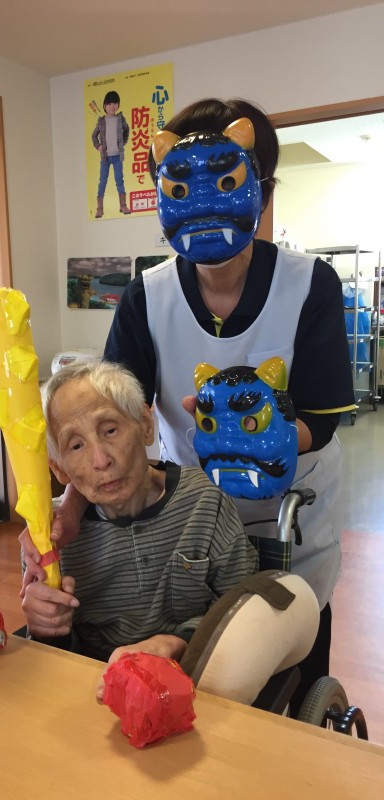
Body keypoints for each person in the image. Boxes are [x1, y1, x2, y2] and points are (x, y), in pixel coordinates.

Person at [24, 98, 355, 716]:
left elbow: (322, 414)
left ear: (260, 187)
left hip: (292, 506)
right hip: (189, 509)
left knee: (294, 639)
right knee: (199, 647)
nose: (204, 200)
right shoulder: (146, 296)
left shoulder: (310, 283)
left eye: (223, 178)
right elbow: (108, 410)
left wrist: (257, 439)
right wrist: (67, 509)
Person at [21, 360, 259, 700]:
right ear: (58, 468)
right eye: (76, 446)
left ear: (146, 425)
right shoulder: (47, 538)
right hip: (96, 694)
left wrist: (177, 643)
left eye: (110, 430)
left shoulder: (205, 503)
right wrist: (46, 627)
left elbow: (244, 616)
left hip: (199, 686)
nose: (101, 460)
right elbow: (56, 662)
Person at [91, 90, 131, 218]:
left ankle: (123, 205)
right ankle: (99, 208)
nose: (112, 106)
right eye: (109, 104)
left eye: (114, 103)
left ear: (118, 105)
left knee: (119, 180)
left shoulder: (120, 119)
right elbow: (94, 135)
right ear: (104, 106)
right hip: (105, 157)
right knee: (102, 181)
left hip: (118, 156)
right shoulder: (101, 121)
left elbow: (127, 130)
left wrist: (122, 142)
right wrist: (98, 146)